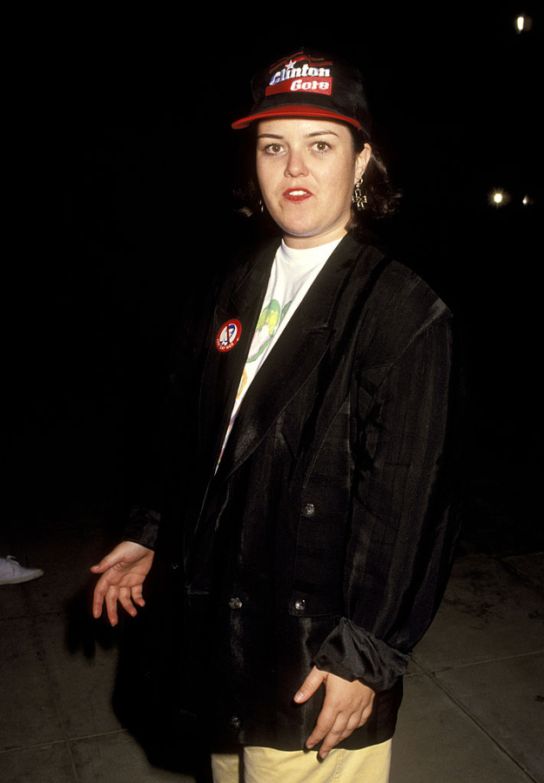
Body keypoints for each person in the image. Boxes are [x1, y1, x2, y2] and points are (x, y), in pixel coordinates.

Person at [91, 49, 465, 783]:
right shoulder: (237, 284)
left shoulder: (404, 314)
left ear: (362, 161)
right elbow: (197, 440)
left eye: (320, 145)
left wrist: (364, 659)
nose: (293, 168)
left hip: (315, 670)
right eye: (273, 146)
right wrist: (153, 533)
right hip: (222, 644)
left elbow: (412, 505)